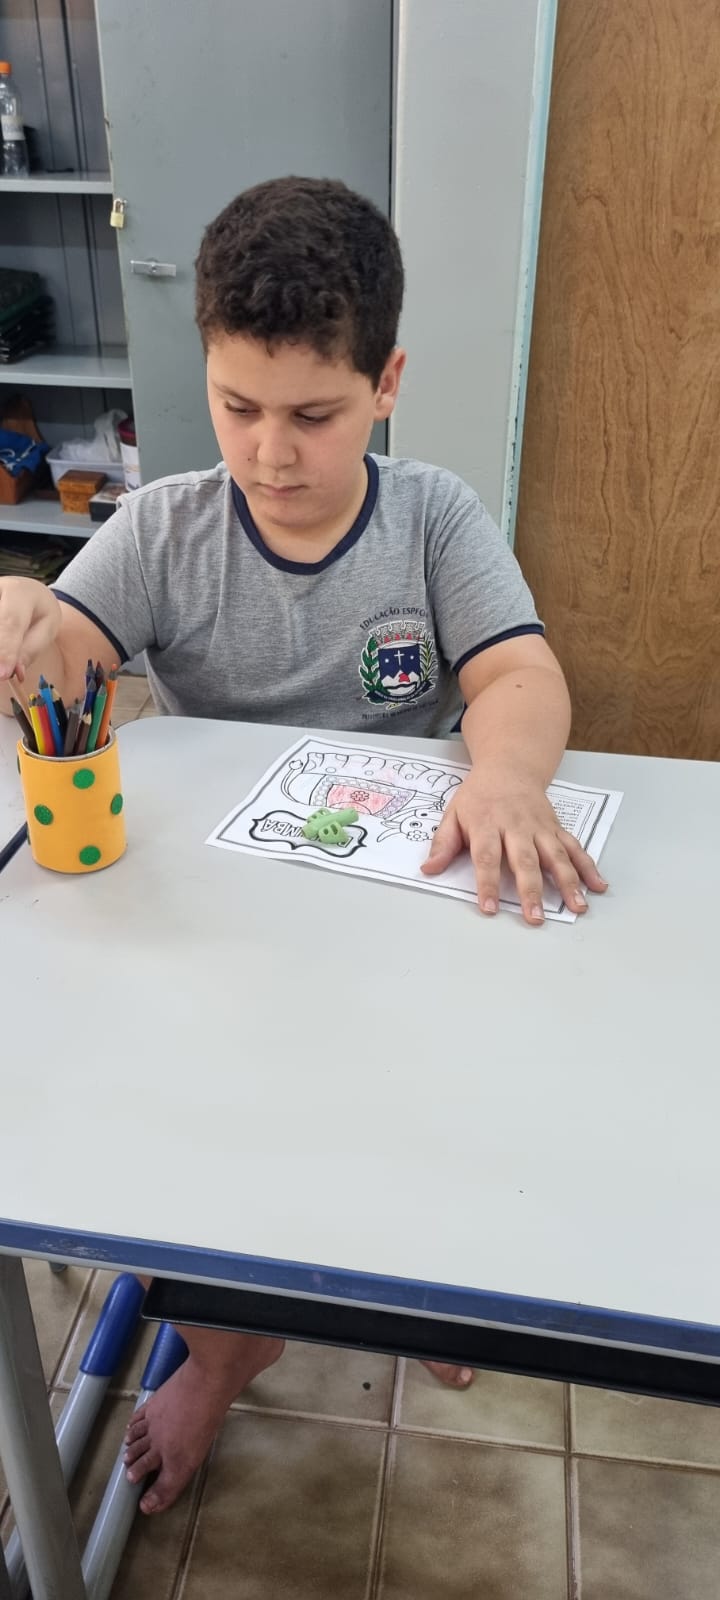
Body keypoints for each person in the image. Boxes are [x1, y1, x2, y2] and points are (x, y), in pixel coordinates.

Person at [0, 176, 607, 1514]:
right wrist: (26, 625)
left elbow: (517, 674)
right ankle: (229, 1350)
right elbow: (67, 668)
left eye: (313, 416)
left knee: (440, 1118)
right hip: (224, 930)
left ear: (385, 384)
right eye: (238, 407)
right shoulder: (162, 526)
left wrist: (508, 777)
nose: (270, 453)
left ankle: (420, 1279)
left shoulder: (434, 517)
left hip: (404, 911)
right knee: (186, 1138)